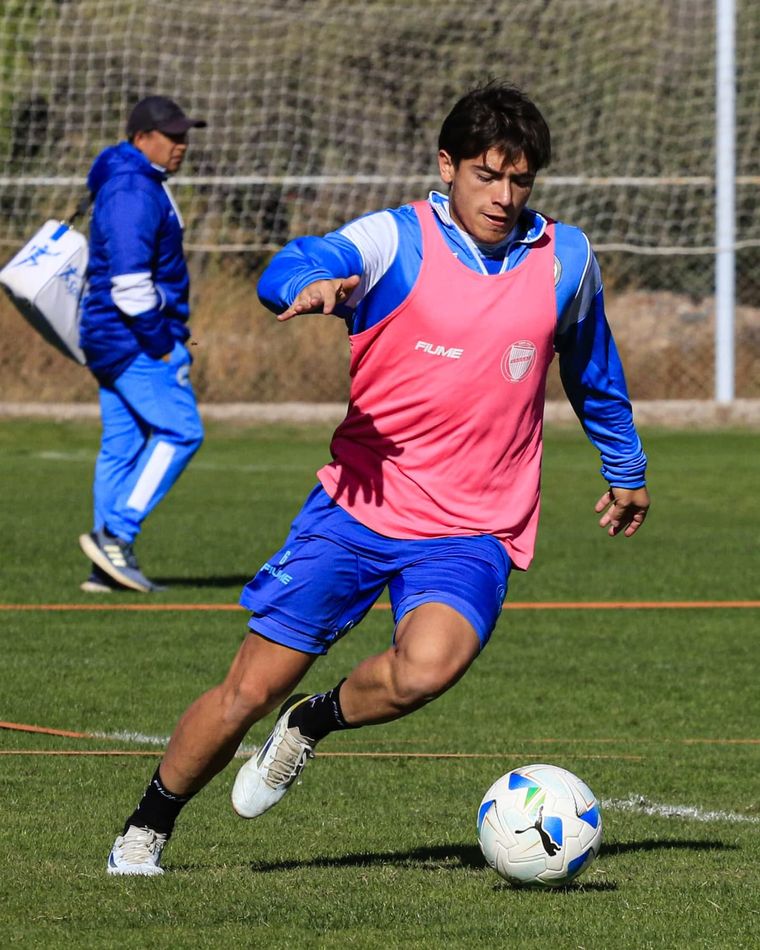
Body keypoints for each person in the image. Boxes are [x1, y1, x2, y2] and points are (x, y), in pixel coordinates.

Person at [106, 80, 650, 874]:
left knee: (427, 669)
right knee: (245, 693)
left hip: (474, 525)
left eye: (519, 179)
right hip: (356, 510)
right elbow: (298, 262)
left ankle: (313, 723)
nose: (503, 197)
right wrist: (305, 284)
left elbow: (594, 367)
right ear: (447, 166)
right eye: (485, 175)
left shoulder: (564, 258)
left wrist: (625, 464)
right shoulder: (395, 241)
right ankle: (146, 827)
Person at [77, 95, 207, 593]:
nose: (181, 145)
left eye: (185, 135)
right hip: (132, 337)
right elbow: (129, 283)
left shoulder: (135, 181)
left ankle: (105, 569)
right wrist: (163, 344)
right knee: (181, 432)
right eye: (172, 136)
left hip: (109, 337)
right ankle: (116, 534)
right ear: (140, 138)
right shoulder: (133, 188)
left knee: (123, 445)